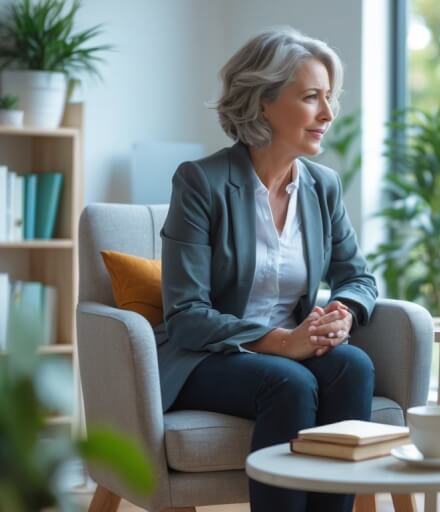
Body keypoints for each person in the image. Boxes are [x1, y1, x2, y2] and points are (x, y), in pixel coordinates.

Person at [158, 28, 377, 512]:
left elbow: (359, 276)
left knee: (354, 366)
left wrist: (344, 310)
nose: (328, 113)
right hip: (207, 356)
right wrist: (281, 343)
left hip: (292, 347)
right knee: (289, 381)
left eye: (329, 98)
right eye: (311, 98)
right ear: (263, 103)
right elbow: (187, 314)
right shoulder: (201, 182)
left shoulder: (323, 187)